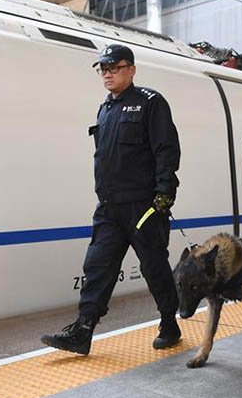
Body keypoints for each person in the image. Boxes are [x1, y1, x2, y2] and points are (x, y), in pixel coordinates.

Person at [42, 44, 181, 354]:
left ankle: (169, 323)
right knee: (97, 266)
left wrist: (164, 191)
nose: (106, 73)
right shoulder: (105, 109)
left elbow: (166, 149)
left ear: (131, 69)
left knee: (154, 266)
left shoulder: (151, 102)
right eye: (102, 69)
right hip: (109, 207)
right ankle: (83, 330)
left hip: (144, 205)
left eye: (113, 67)